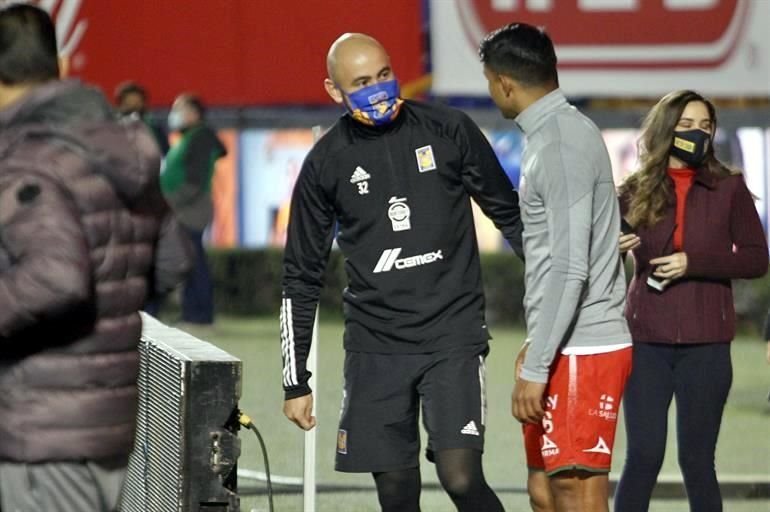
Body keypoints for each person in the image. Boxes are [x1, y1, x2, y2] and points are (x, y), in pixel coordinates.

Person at [281, 32, 524, 512]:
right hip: (375, 345)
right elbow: (300, 277)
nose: (379, 90)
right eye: (363, 82)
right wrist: (295, 382)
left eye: (385, 75)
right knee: (395, 493)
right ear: (335, 91)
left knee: (460, 477)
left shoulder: (449, 129)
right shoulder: (325, 163)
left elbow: (511, 217)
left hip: (452, 335)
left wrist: (558, 296)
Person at [0, 5, 191, 512]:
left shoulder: (25, 156)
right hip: (112, 423)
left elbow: (55, 278)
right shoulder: (123, 143)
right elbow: (173, 260)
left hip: (41, 430)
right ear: (59, 64)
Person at [480, 23, 632, 512]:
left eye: (489, 82)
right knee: (544, 491)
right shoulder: (550, 134)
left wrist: (540, 364)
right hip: (561, 340)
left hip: (585, 346)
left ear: (504, 82)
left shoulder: (561, 143)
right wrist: (536, 343)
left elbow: (571, 268)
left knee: (574, 490)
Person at [614, 90, 769, 512]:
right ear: (667, 131)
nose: (696, 135)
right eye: (685, 127)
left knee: (698, 462)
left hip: (708, 342)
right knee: (643, 458)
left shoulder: (729, 187)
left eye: (704, 127)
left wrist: (693, 262)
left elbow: (757, 259)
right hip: (647, 340)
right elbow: (597, 256)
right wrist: (611, 246)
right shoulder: (633, 189)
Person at [159, 93, 226, 327]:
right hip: (185, 210)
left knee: (193, 263)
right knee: (189, 262)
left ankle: (200, 315)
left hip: (190, 211)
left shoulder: (201, 137)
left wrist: (169, 202)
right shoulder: (189, 138)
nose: (174, 114)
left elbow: (193, 183)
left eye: (180, 109)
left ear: (194, 114)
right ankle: (193, 313)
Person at [114, 80, 170, 155]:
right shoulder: (113, 128)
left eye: (137, 103)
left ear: (144, 103)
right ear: (121, 105)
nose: (133, 107)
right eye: (129, 103)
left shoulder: (154, 125)